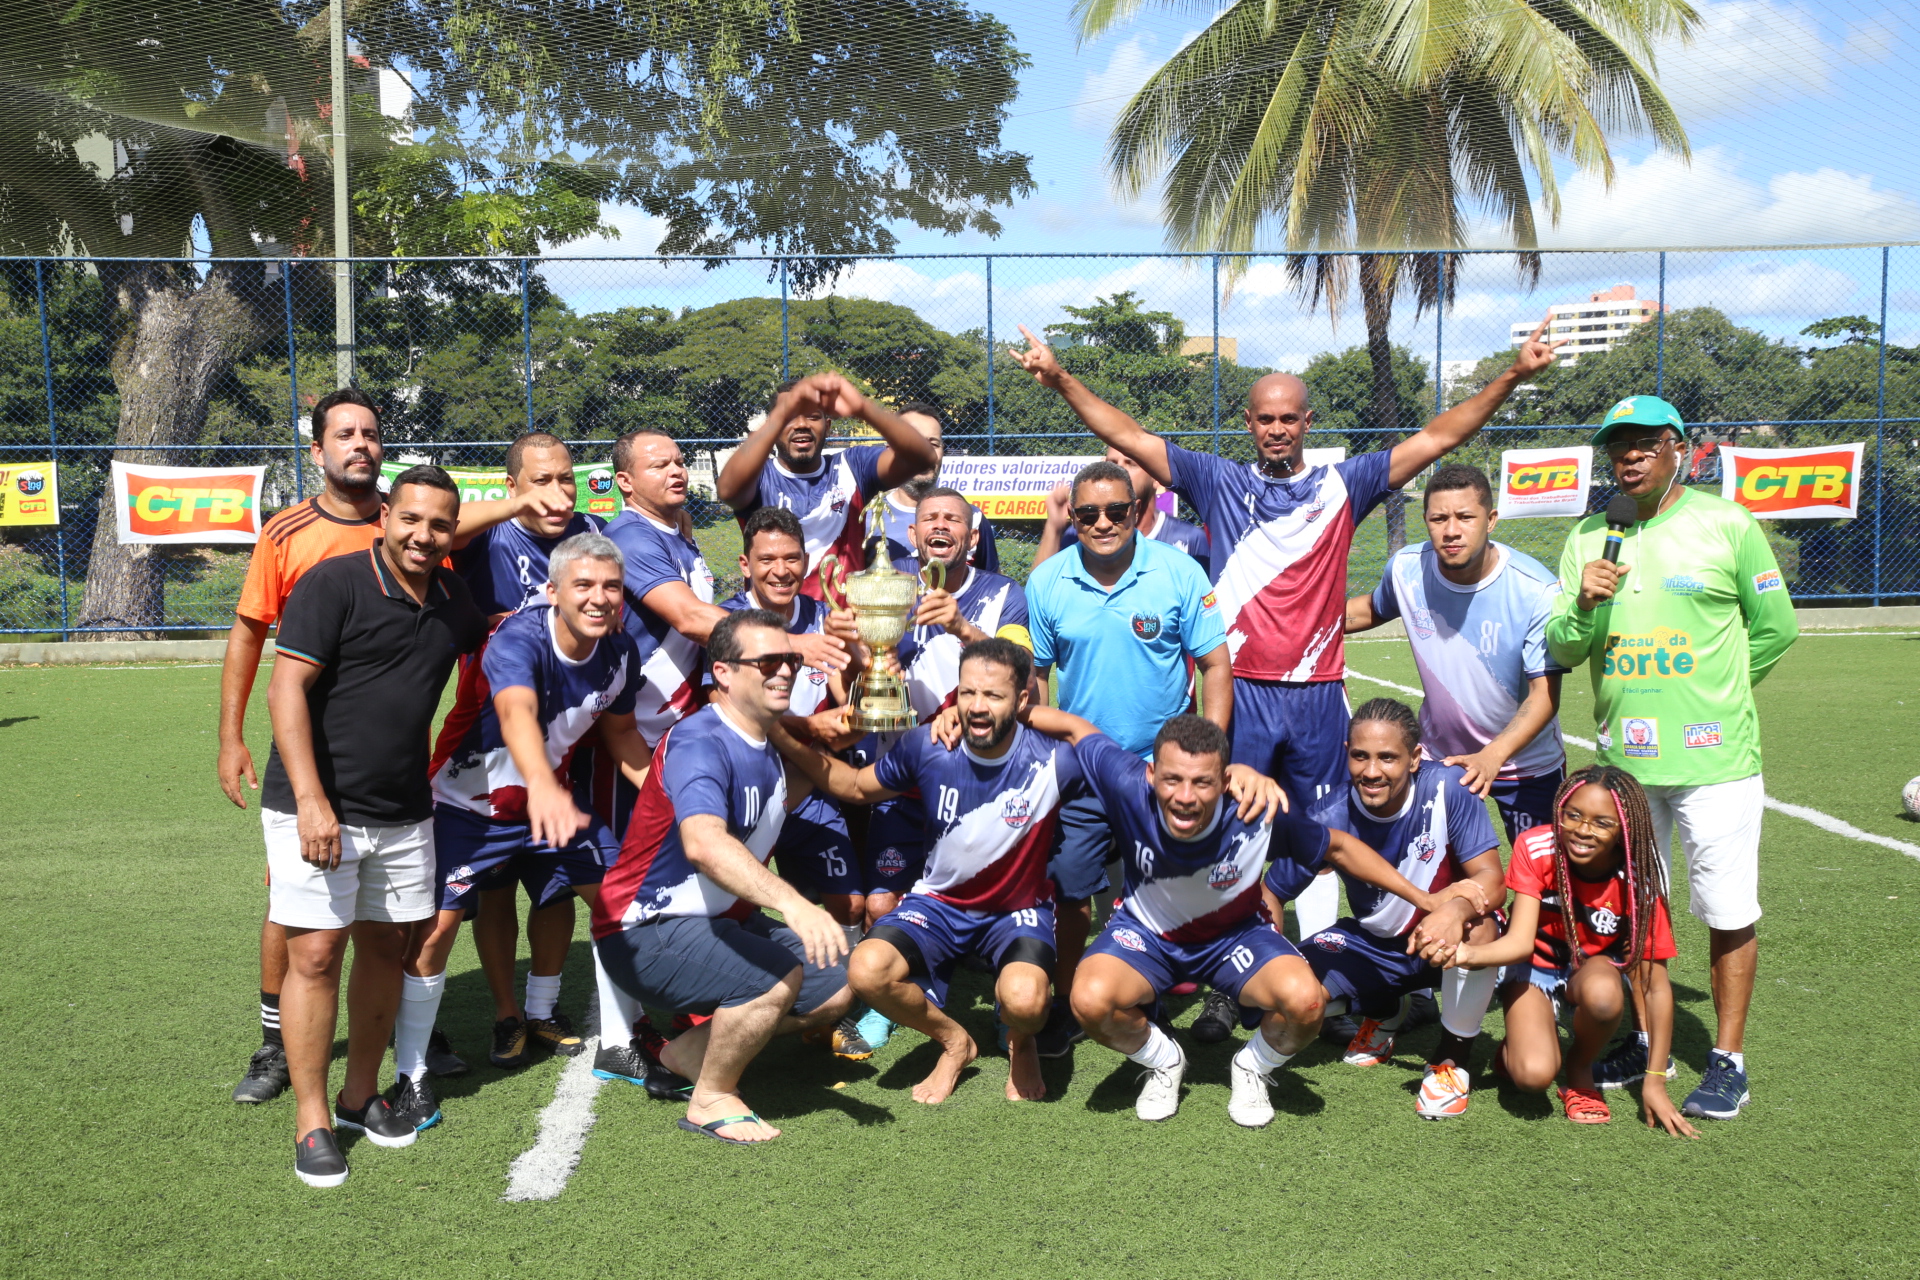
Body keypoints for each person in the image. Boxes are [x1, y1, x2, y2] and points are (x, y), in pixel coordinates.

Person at [1007, 318, 1563, 951]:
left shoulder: (1343, 485)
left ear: (1307, 421)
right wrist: (1058, 379)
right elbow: (1126, 434)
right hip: (1239, 689)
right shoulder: (1218, 481)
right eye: (1266, 419)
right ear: (1249, 423)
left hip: (1317, 694)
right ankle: (1219, 957)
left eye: (1289, 418)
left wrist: (1514, 375)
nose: (1277, 429)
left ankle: (1328, 953)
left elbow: (1436, 437)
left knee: (1324, 832)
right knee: (1225, 821)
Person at [220, 389, 532, 1103]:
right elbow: (253, 640)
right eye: (344, 434)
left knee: (385, 927)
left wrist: (521, 504)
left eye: (370, 433)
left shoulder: (429, 549)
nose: (358, 444)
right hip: (314, 771)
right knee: (302, 923)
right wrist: (231, 736)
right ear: (318, 449)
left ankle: (391, 1034)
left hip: (396, 781)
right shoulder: (293, 536)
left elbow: (450, 529)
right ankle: (275, 1044)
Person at [1547, 394, 1799, 1121]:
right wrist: (1585, 603)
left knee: (1725, 909)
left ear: (1677, 448)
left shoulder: (1727, 525)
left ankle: (1728, 1060)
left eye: (1642, 444)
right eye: (1616, 446)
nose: (1627, 457)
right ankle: (1643, 1036)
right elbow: (1564, 647)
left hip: (1716, 761)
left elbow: (1775, 630)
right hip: (1624, 770)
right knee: (1635, 913)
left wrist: (1713, 695)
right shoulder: (1591, 537)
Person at [1052, 713, 1485, 1125]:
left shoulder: (1253, 810)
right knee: (1087, 999)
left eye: (1202, 782)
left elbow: (1337, 848)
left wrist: (1422, 900)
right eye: (1173, 780)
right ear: (1151, 776)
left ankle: (1251, 1067)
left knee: (1307, 1002)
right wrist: (999, 705)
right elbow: (1073, 726)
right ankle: (1164, 1061)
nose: (1185, 796)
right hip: (1147, 934)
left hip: (1233, 939)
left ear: (1224, 783)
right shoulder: (1127, 784)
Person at [263, 465, 488, 1187]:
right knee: (318, 957)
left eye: (441, 525)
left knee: (388, 950)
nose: (424, 536)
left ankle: (359, 1096)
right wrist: (311, 800)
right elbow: (285, 689)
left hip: (404, 811)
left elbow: (504, 637)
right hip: (319, 804)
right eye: (412, 520)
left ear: (454, 533)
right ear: (385, 516)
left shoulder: (455, 601)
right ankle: (312, 1121)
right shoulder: (333, 584)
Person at [410, 532, 655, 1125]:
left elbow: (621, 733)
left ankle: (618, 1043)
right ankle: (410, 1069)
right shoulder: (516, 637)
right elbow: (515, 711)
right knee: (436, 930)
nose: (599, 599)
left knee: (618, 902)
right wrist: (539, 782)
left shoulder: (620, 651)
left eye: (611, 587)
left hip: (554, 806)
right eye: (585, 586)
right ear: (553, 592)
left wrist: (670, 802)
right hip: (471, 808)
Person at [591, 609, 854, 1145]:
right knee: (778, 976)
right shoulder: (701, 741)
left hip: (716, 920)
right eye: (768, 661)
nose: (784, 671)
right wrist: (796, 905)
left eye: (791, 660)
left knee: (840, 982)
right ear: (724, 673)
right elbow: (705, 845)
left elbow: (841, 781)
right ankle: (711, 1097)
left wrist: (881, 718)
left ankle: (687, 1052)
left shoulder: (765, 740)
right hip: (645, 928)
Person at [772, 639, 1074, 1105]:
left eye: (993, 696)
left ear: (1023, 699)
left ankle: (1022, 1037)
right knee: (867, 970)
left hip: (1017, 911)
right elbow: (853, 785)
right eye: (968, 693)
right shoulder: (929, 743)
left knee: (1027, 1001)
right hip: (940, 904)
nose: (976, 706)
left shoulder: (1055, 756)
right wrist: (781, 735)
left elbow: (1106, 754)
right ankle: (956, 1042)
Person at [1024, 458, 1230, 1057]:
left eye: (1117, 511)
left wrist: (1209, 756)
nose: (1104, 522)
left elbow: (1217, 665)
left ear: (1139, 512)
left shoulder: (1179, 571)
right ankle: (1065, 1007)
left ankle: (1161, 1000)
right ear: (1073, 518)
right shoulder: (1048, 582)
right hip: (1084, 770)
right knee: (1068, 889)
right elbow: (1036, 680)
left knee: (1171, 891)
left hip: (1162, 774)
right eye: (1088, 514)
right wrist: (1045, 754)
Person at [1274, 698, 1505, 1121]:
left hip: (1447, 941)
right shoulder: (1330, 814)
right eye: (1360, 756)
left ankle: (1452, 1060)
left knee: (1481, 928)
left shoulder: (1448, 788)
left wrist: (1452, 910)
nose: (1372, 771)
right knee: (1282, 1002)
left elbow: (1492, 881)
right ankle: (1386, 1010)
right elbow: (1272, 892)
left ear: (1415, 758)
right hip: (1374, 941)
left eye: (1387, 757)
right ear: (1346, 753)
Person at [1436, 766, 1696, 1136]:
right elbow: (1520, 942)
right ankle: (1522, 1042)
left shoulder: (1640, 876)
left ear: (1624, 828)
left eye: (1602, 822)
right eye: (1573, 815)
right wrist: (1463, 956)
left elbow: (1655, 986)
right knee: (1532, 1076)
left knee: (1606, 995)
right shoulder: (1537, 846)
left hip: (1591, 972)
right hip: (1533, 967)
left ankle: (1579, 1069)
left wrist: (1654, 1082)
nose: (1583, 830)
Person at [717, 506, 874, 1061]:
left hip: (807, 787)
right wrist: (806, 729)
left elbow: (843, 698)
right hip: (745, 791)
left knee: (849, 903)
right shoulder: (729, 624)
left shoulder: (822, 612)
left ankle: (834, 1008)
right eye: (767, 560)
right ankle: (721, 1007)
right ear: (745, 564)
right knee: (734, 907)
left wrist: (859, 672)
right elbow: (722, 704)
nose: (781, 570)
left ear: (806, 561)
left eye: (791, 558)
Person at [1345, 463, 1566, 839]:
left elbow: (1544, 696)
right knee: (1435, 879)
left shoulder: (1537, 591)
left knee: (1543, 888)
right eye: (1439, 518)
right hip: (1439, 758)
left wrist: (1492, 756)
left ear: (1491, 519)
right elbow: (1370, 609)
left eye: (1465, 517)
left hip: (1526, 766)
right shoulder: (1406, 570)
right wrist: (1294, 616)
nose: (1451, 530)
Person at [716, 373, 938, 598]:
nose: (802, 424)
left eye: (813, 416)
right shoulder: (757, 476)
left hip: (838, 625)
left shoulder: (853, 466)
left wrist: (863, 408)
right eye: (789, 417)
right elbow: (727, 490)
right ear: (773, 426)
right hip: (771, 626)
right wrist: (778, 416)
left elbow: (922, 458)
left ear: (828, 425)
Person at [876, 400, 1001, 573]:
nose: (924, 453)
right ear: (890, 449)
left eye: (933, 444)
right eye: (912, 441)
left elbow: (992, 585)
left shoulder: (973, 518)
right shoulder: (866, 519)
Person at [1033, 444, 1207, 567]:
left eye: (1131, 463)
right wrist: (1054, 528)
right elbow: (1038, 600)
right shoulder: (1078, 535)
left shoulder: (1191, 540)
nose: (1120, 471)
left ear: (1156, 476)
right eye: (1112, 463)